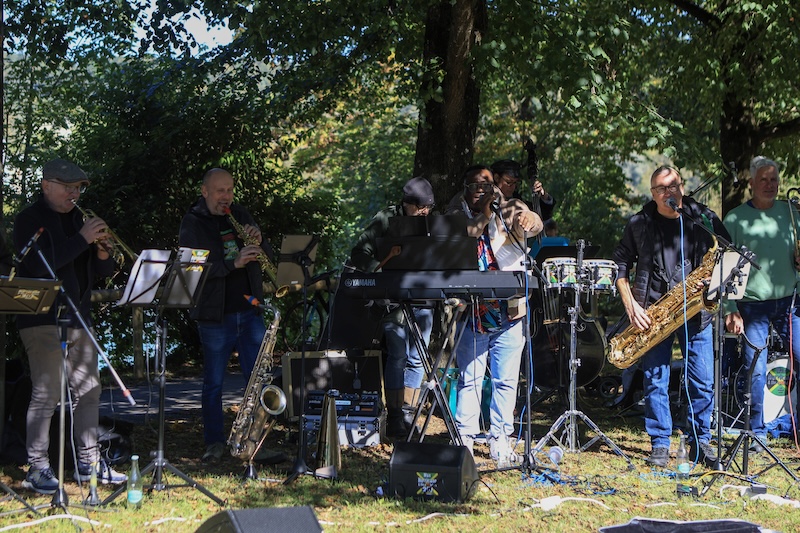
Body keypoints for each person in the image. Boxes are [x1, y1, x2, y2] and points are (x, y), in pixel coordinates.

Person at [13, 158, 127, 494]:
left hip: (79, 318)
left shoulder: (79, 220)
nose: (74, 194)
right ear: (47, 185)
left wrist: (103, 253)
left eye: (78, 188)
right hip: (42, 318)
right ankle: (37, 468)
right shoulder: (29, 219)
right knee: (46, 393)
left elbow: (100, 274)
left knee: (90, 391)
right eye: (68, 187)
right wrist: (82, 238)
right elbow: (39, 267)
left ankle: (89, 463)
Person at [611, 165, 729, 468]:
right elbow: (620, 265)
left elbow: (727, 256)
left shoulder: (703, 218)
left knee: (703, 381)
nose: (668, 192)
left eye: (673, 186)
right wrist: (631, 306)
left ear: (682, 188)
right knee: (655, 380)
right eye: (661, 188)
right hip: (653, 313)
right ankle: (660, 443)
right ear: (653, 193)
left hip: (697, 310)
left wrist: (713, 282)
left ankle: (700, 441)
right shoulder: (639, 223)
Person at [179, 168, 286, 464]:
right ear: (205, 192)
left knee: (258, 380)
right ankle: (214, 443)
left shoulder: (240, 214)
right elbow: (192, 270)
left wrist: (260, 241)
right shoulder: (193, 223)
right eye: (219, 191)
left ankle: (254, 443)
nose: (226, 197)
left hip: (249, 309)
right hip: (215, 314)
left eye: (229, 190)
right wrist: (233, 263)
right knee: (214, 383)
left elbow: (264, 255)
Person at [445, 165, 542, 465]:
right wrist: (486, 214)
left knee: (506, 379)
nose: (481, 190)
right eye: (475, 185)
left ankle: (500, 436)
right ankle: (465, 436)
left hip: (509, 307)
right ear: (465, 187)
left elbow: (533, 222)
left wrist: (531, 219)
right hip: (471, 309)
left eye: (486, 186)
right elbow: (465, 234)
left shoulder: (508, 206)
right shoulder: (454, 211)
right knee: (470, 378)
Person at [722, 156, 800, 451]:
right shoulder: (735, 219)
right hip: (751, 305)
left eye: (774, 180)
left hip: (789, 302)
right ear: (752, 183)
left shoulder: (791, 213)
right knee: (754, 369)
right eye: (763, 180)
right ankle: (755, 433)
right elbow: (724, 268)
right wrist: (730, 309)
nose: (769, 185)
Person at [349, 176, 436, 438]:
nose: (424, 212)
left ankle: (409, 414)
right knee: (398, 355)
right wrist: (380, 271)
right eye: (419, 207)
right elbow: (359, 252)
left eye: (428, 207)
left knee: (417, 358)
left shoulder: (433, 223)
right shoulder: (386, 219)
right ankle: (395, 415)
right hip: (393, 301)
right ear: (406, 203)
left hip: (424, 298)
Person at [490, 159, 556, 222]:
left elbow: (543, 215)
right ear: (496, 178)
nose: (513, 187)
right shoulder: (487, 200)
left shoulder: (517, 200)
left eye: (515, 183)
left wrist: (544, 195)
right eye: (509, 182)